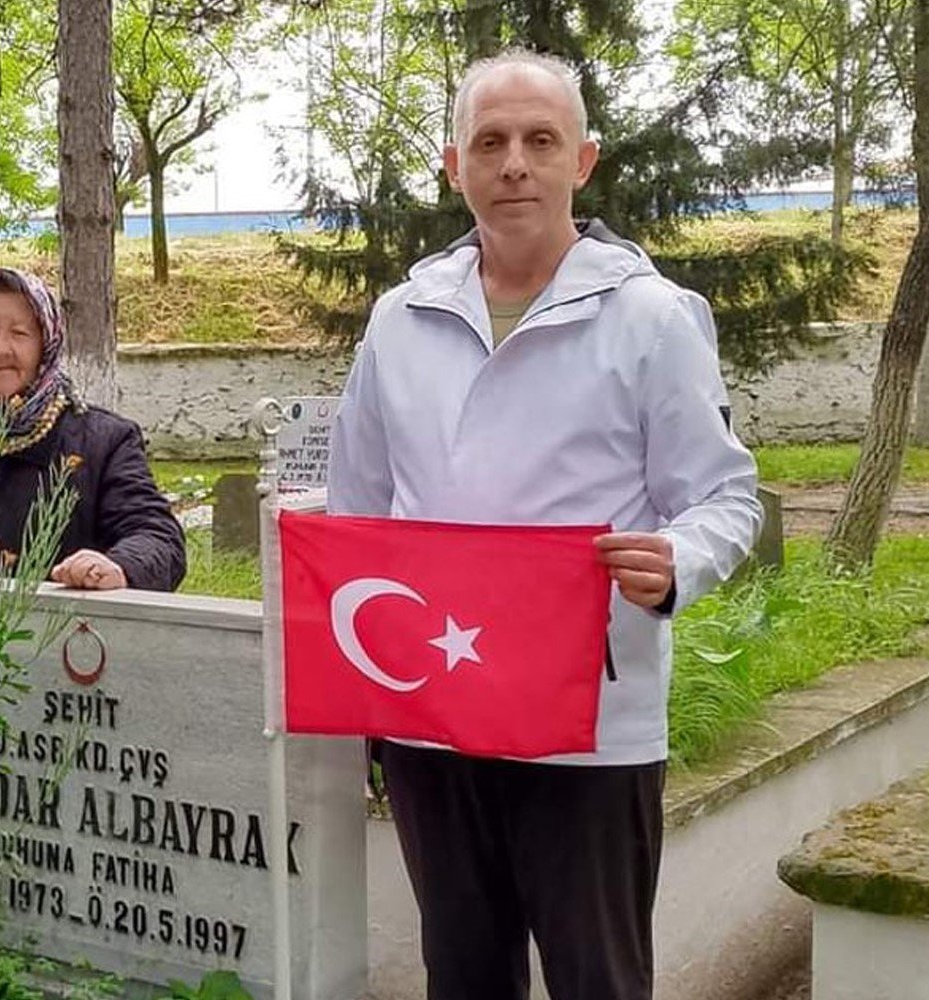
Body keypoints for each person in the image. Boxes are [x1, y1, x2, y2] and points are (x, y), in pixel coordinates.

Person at [326, 51, 762, 1000]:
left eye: (539, 140)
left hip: (590, 726)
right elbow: (356, 510)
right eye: (490, 142)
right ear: (455, 166)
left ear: (583, 160)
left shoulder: (651, 319)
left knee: (596, 979)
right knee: (465, 976)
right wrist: (361, 694)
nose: (514, 163)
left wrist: (676, 558)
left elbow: (728, 496)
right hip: (432, 715)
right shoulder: (399, 320)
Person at [0, 266, 186, 592]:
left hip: (68, 640)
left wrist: (119, 566)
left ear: (45, 344)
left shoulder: (104, 443)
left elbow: (157, 536)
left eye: (20, 333)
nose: (0, 349)